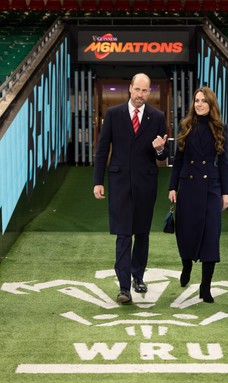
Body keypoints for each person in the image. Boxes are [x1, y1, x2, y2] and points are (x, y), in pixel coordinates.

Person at [93, 73, 168, 305]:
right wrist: (98, 181)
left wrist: (159, 150)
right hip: (119, 184)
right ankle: (124, 287)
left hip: (146, 184)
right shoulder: (114, 115)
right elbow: (103, 149)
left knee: (142, 234)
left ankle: (138, 277)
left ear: (149, 93)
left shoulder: (157, 117)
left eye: (145, 91)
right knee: (124, 234)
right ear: (130, 89)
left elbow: (164, 155)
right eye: (137, 90)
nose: (140, 95)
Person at [168, 87, 228, 303]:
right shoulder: (186, 126)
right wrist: (172, 186)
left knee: (211, 236)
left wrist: (226, 192)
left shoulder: (220, 129)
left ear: (211, 104)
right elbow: (178, 160)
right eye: (196, 100)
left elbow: (223, 163)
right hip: (188, 185)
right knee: (186, 232)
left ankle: (205, 287)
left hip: (211, 188)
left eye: (204, 101)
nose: (199, 104)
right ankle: (186, 264)